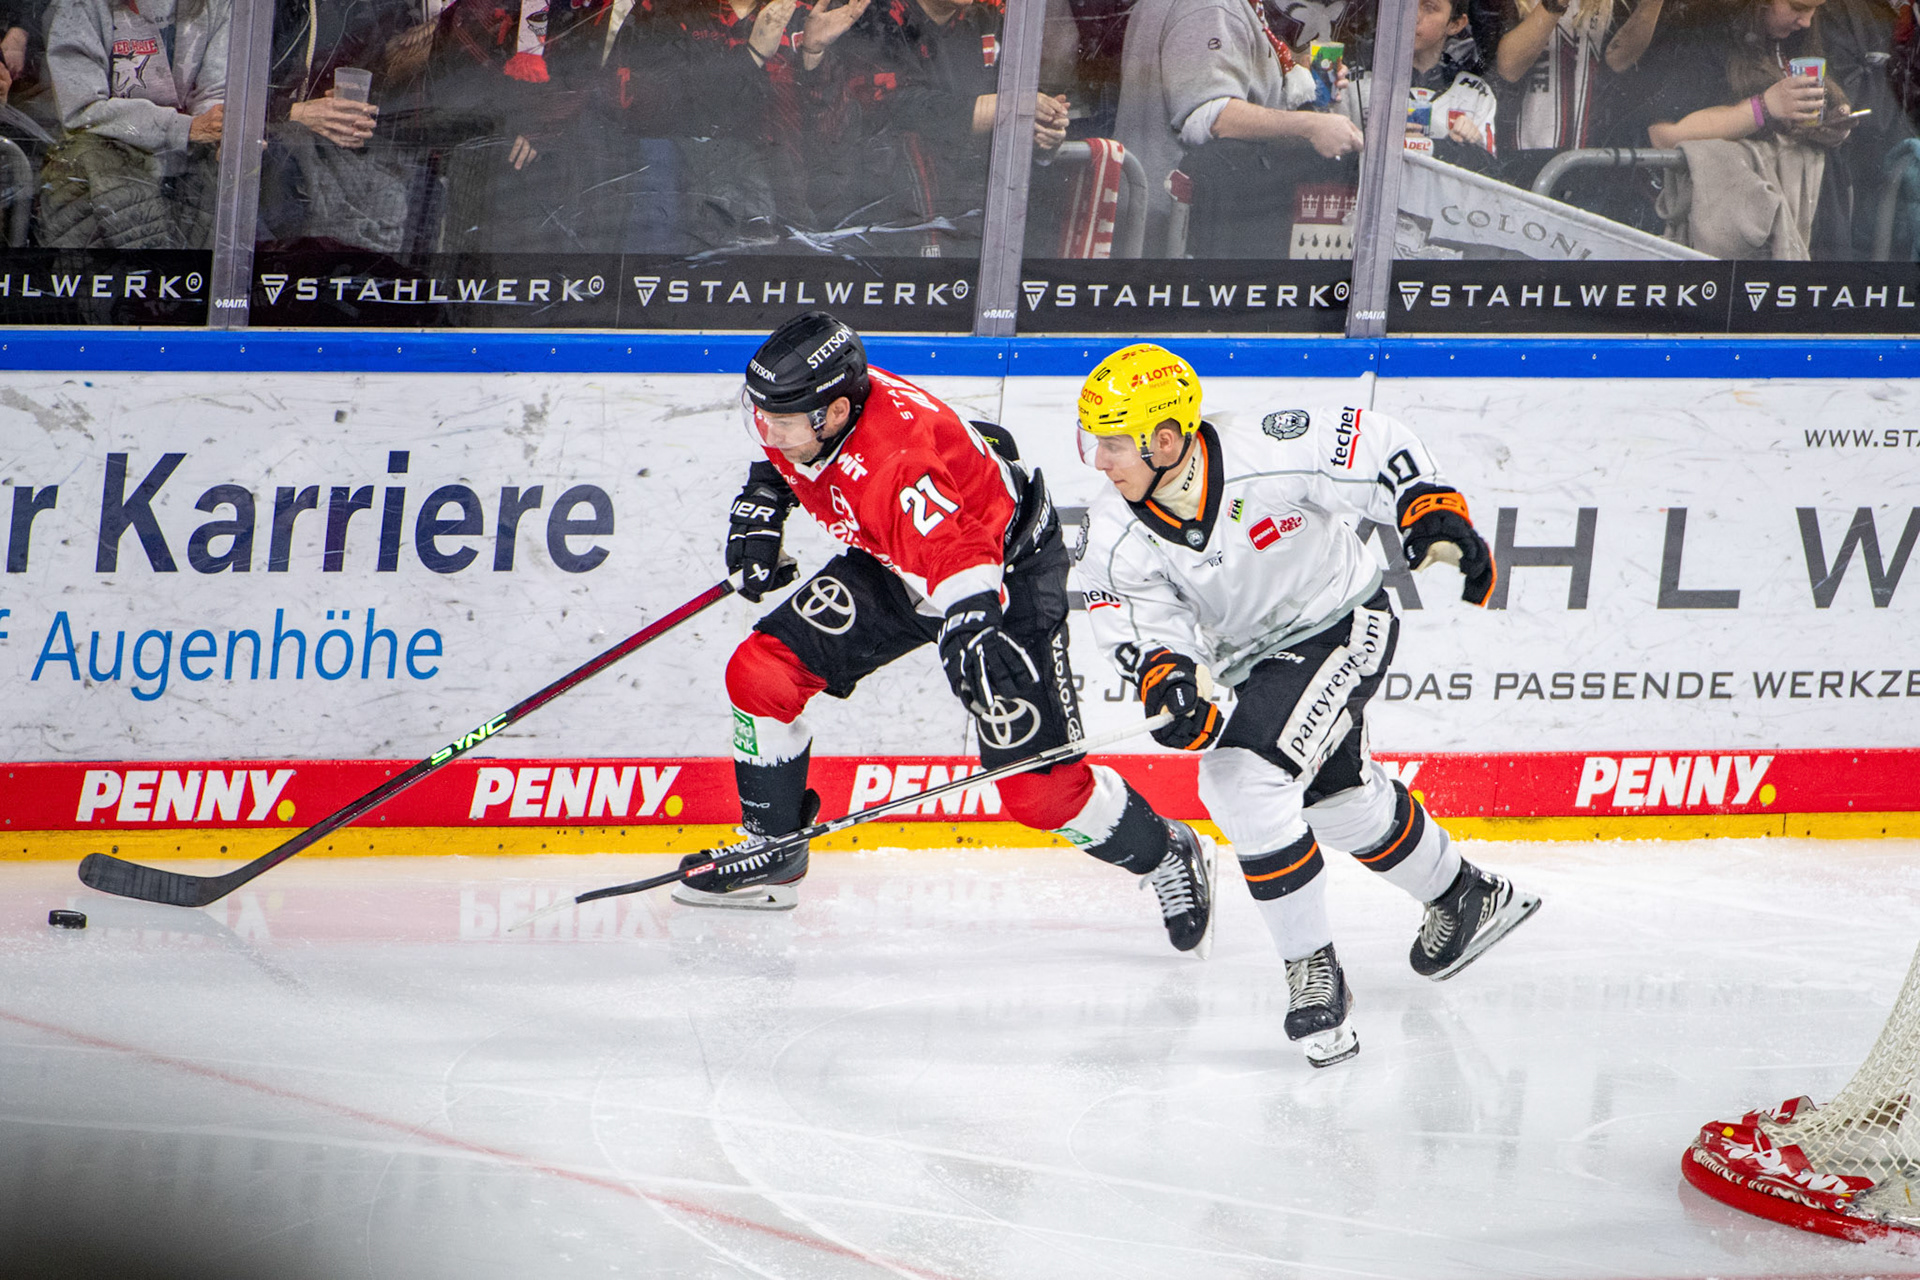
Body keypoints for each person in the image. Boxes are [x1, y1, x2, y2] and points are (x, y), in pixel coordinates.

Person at [682, 311, 1218, 963]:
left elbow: (961, 557)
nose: (771, 432)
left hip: (1004, 574)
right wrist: (765, 496)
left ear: (840, 411)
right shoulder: (812, 408)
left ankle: (1167, 850)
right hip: (895, 563)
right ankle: (773, 849)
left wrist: (969, 628)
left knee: (1041, 793)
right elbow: (791, 453)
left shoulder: (899, 462)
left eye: (785, 422)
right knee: (761, 672)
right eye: (764, 416)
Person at [1071, 344, 1540, 1067]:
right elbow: (1138, 625)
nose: (1099, 461)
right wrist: (1167, 676)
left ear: (1166, 440)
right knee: (1335, 800)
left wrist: (1429, 509)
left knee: (1240, 778)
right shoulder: (1114, 529)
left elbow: (1372, 443)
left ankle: (1313, 972)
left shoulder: (1264, 446)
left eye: (1112, 443)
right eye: (1093, 441)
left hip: (1343, 620)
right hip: (1251, 661)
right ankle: (1466, 895)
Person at [1113, 0, 1364, 253]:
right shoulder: (1209, 6)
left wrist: (1299, 75)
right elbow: (1212, 115)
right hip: (1178, 233)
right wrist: (1310, 125)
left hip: (1158, 221)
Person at [39, 0, 227, 248]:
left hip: (188, 171)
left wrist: (221, 130)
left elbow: (215, 95)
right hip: (101, 172)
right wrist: (185, 128)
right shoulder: (79, 6)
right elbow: (82, 110)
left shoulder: (221, 4)